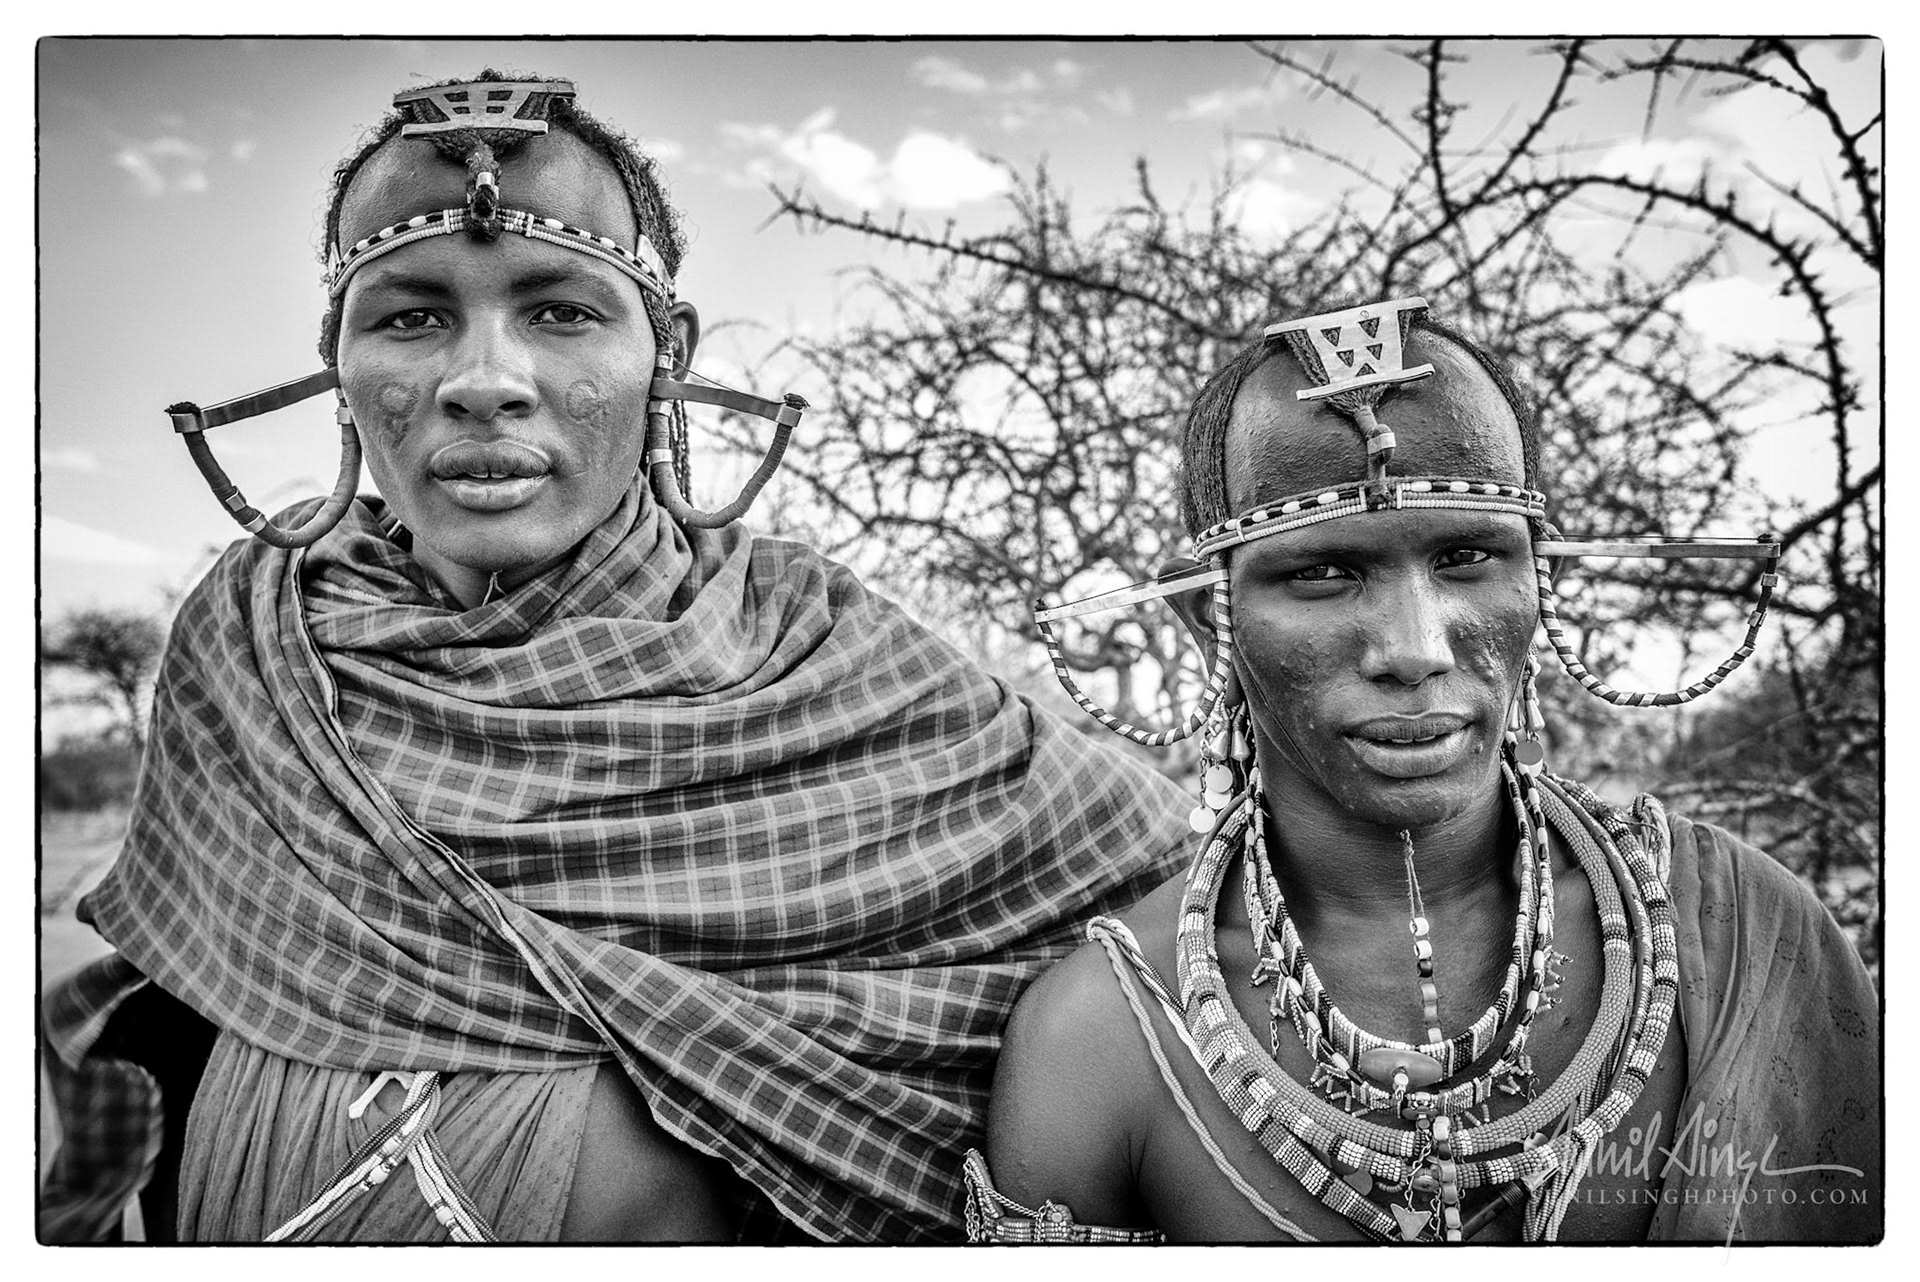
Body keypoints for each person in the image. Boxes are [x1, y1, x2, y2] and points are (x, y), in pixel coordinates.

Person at [38, 73, 1192, 1244]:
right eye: (409, 317)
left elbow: (1156, 902)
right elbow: (187, 1005)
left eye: (562, 312)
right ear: (337, 356)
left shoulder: (821, 647)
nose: (483, 380)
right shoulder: (249, 641)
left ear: (668, 352)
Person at [965, 297, 1881, 1244]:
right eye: (1323, 574)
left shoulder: (1740, 930)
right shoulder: (1100, 1040)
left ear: (1540, 584)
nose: (1415, 648)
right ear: (1212, 618)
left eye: (1470, 557)